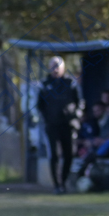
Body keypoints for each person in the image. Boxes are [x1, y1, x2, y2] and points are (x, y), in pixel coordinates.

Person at [36, 56, 81, 194]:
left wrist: (75, 116)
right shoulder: (44, 84)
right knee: (54, 154)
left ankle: (64, 181)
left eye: (58, 66)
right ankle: (57, 185)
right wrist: (46, 118)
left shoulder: (70, 83)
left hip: (68, 125)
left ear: (63, 68)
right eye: (53, 66)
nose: (55, 69)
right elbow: (39, 105)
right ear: (49, 68)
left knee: (69, 154)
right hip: (52, 125)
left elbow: (79, 102)